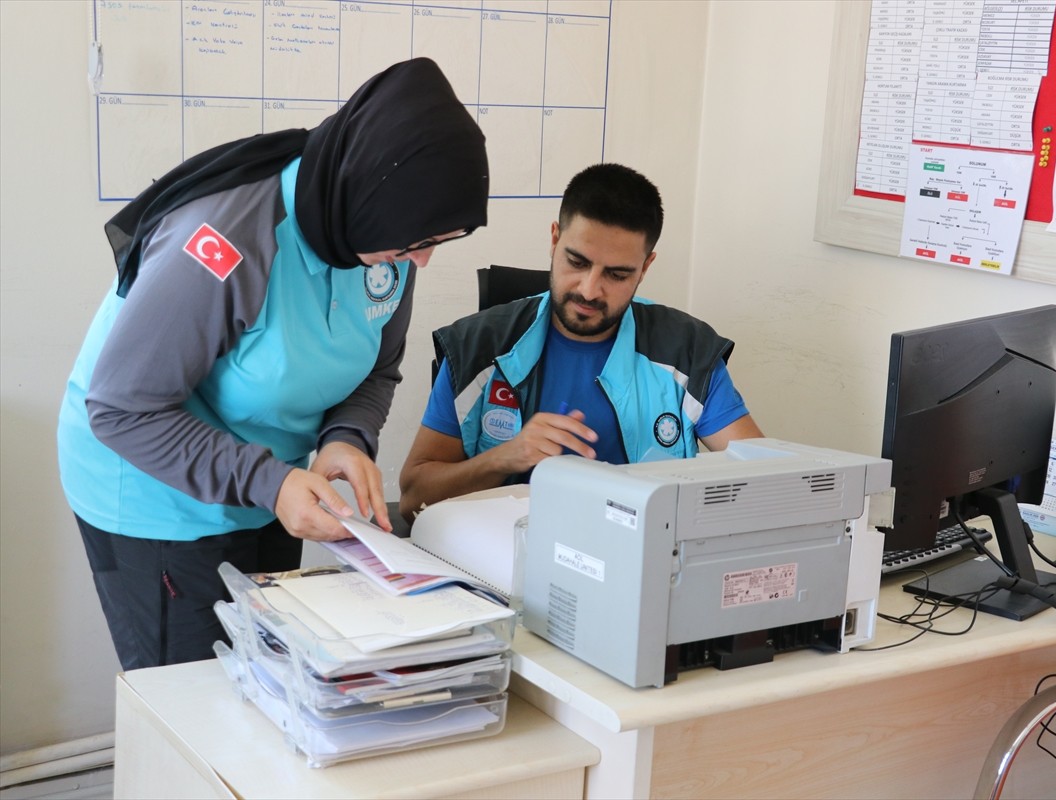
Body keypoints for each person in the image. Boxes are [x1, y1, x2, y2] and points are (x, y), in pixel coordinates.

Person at [57, 58, 489, 670]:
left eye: (437, 242)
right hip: (156, 496)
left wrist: (345, 438)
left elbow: (377, 368)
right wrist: (270, 482)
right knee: (200, 696)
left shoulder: (386, 241)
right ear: (367, 198)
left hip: (268, 485)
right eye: (418, 242)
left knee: (268, 680)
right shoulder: (223, 240)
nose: (422, 261)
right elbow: (123, 409)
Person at [398, 163, 762, 520]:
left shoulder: (687, 351)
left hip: (639, 553)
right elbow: (413, 500)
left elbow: (764, 481)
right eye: (577, 262)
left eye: (616, 275)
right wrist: (504, 458)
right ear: (554, 239)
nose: (589, 290)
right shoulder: (478, 346)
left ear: (645, 268)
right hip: (509, 552)